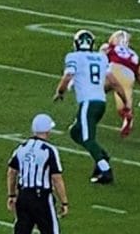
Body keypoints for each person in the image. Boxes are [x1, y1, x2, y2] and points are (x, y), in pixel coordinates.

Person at [53, 29, 131, 184]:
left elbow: (68, 76)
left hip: (88, 104)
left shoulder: (73, 57)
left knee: (87, 138)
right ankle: (101, 155)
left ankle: (105, 169)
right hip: (100, 103)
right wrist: (126, 102)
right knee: (75, 132)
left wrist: (60, 92)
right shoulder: (100, 58)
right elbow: (114, 83)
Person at [6, 113, 69, 234]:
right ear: (47, 130)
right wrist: (64, 201)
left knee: (22, 230)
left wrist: (12, 195)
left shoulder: (21, 148)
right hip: (42, 197)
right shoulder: (49, 150)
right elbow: (56, 178)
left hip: (23, 195)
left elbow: (11, 172)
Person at [101, 30, 140, 137]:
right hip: (128, 77)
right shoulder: (134, 55)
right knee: (123, 108)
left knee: (93, 94)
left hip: (113, 71)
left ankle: (81, 118)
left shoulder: (109, 48)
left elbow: (97, 62)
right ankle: (127, 116)